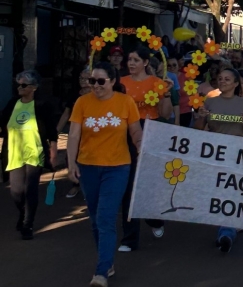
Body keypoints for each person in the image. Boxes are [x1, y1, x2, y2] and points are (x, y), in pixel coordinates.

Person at [67, 62, 143, 287]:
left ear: (112, 81)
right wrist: (71, 164)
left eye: (101, 81)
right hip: (88, 166)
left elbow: (135, 130)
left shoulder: (125, 102)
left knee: (106, 218)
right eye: (92, 81)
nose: (96, 86)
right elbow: (73, 135)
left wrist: (139, 144)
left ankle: (101, 272)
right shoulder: (82, 102)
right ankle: (107, 261)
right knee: (94, 219)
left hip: (118, 167)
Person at [194, 68, 243, 252]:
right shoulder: (210, 101)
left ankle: (226, 233)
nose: (222, 82)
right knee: (219, 192)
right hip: (215, 153)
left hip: (237, 154)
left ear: (236, 84)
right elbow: (199, 128)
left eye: (227, 79)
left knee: (230, 192)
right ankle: (226, 229)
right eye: (220, 78)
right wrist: (201, 118)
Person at [118, 47, 173, 251]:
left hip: (150, 131)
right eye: (129, 59)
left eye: (135, 59)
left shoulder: (157, 84)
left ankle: (154, 219)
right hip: (124, 133)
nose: (131, 63)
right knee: (128, 183)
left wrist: (166, 95)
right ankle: (129, 238)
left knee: (147, 183)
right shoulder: (121, 83)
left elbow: (166, 114)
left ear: (146, 63)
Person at [1, 71, 57, 239]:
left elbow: (52, 131)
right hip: (14, 152)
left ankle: (28, 224)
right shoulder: (13, 103)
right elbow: (2, 122)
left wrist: (53, 151)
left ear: (34, 87)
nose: (20, 87)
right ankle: (24, 213)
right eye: (18, 84)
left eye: (24, 85)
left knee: (30, 188)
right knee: (16, 191)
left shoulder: (42, 105)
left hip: (35, 152)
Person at [58, 67, 93, 198]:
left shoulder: (97, 95)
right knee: (71, 158)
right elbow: (66, 113)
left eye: (86, 78)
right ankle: (76, 184)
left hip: (91, 133)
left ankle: (87, 187)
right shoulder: (74, 95)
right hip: (75, 131)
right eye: (81, 78)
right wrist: (56, 131)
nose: (83, 81)